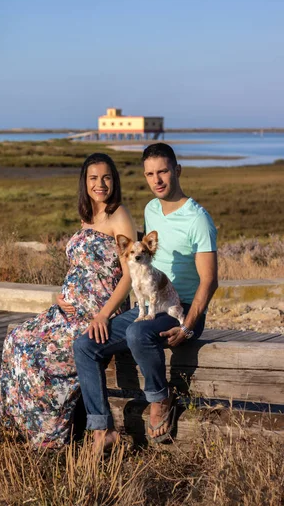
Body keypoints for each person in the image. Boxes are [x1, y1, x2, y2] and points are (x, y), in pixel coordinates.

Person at [73, 143, 218, 450]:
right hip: (148, 305)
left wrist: (189, 325)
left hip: (182, 307)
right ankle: (102, 429)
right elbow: (139, 265)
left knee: (139, 332)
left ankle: (159, 398)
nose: (158, 179)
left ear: (177, 171)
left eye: (163, 171)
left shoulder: (198, 219)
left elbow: (210, 281)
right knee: (85, 344)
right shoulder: (151, 209)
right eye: (150, 174)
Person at [0, 153, 136, 448]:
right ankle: (21, 429)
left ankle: (50, 436)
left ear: (115, 180)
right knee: (16, 340)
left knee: (36, 357)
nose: (101, 184)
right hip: (67, 309)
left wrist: (103, 315)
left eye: (107, 177)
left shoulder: (119, 215)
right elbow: (81, 268)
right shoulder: (87, 217)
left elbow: (129, 275)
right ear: (85, 183)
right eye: (94, 178)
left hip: (98, 314)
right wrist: (60, 296)